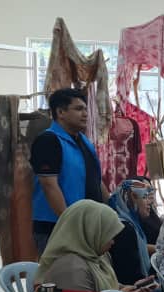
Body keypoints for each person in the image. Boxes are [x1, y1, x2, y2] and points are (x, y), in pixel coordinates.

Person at [30, 88, 109, 254]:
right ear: (60, 112)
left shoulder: (83, 141)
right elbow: (49, 186)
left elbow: (95, 179)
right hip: (57, 226)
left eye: (86, 109)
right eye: (79, 109)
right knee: (60, 269)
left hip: (87, 224)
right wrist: (70, 224)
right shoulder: (48, 141)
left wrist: (110, 209)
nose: (85, 114)